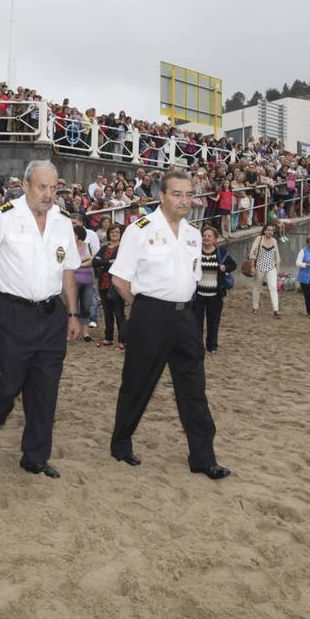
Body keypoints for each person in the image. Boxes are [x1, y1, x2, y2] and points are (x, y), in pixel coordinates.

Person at [108, 170, 231, 480]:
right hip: (151, 315)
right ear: (161, 196)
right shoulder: (140, 229)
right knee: (138, 384)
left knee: (194, 388)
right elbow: (120, 278)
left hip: (187, 317)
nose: (184, 200)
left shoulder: (192, 233)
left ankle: (203, 457)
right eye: (177, 194)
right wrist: (145, 308)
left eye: (189, 195)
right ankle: (121, 443)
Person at [0, 159, 80, 479]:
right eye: (42, 187)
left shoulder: (62, 220)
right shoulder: (3, 217)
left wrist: (72, 313)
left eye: (53, 188)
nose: (48, 194)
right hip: (10, 313)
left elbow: (68, 268)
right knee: (4, 388)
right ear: (26, 185)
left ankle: (35, 456)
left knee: (45, 391)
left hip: (50, 314)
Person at [192, 225, 237, 354]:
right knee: (196, 323)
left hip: (215, 294)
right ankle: (197, 346)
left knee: (213, 322)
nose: (206, 238)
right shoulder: (196, 252)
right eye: (204, 236)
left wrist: (224, 268)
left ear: (214, 239)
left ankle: (212, 346)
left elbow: (233, 265)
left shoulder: (220, 251)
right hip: (198, 294)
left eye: (209, 236)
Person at [93, 224, 126, 348]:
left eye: (117, 232)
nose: (114, 234)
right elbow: (95, 262)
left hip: (117, 284)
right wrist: (109, 262)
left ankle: (123, 340)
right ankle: (108, 338)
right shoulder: (104, 247)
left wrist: (104, 263)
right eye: (112, 232)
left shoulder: (123, 248)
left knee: (119, 313)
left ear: (121, 233)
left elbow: (122, 262)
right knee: (107, 313)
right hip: (104, 284)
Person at [249, 224, 281, 318]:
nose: (270, 232)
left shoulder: (274, 241)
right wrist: (252, 266)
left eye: (272, 230)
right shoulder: (259, 239)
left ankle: (276, 309)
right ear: (264, 231)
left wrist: (278, 267)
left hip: (271, 267)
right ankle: (255, 307)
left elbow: (277, 255)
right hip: (259, 267)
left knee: (273, 288)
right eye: (268, 230)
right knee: (257, 287)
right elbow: (253, 253)